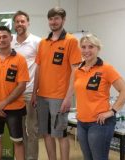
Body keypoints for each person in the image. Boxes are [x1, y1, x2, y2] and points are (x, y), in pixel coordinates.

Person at [31, 7, 82, 160]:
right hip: (42, 96)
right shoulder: (43, 42)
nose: (53, 22)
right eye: (51, 19)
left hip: (59, 97)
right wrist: (34, 93)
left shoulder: (71, 41)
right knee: (46, 133)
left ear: (63, 20)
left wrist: (68, 98)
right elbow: (38, 69)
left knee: (60, 134)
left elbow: (75, 71)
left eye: (57, 18)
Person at [74, 33, 125, 160]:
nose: (86, 50)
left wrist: (112, 111)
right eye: (83, 47)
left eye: (91, 47)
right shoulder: (78, 70)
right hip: (82, 122)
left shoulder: (106, 68)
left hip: (99, 123)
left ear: (98, 48)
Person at [0, 26, 29, 160]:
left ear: (11, 38)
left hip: (15, 109)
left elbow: (22, 86)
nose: (1, 40)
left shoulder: (20, 59)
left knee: (18, 142)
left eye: (4, 37)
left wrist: (3, 103)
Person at [11, 10, 41, 160]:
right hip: (15, 94)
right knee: (18, 132)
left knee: (32, 131)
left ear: (28, 23)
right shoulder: (10, 42)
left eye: (22, 21)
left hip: (30, 93)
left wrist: (36, 92)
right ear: (14, 24)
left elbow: (41, 68)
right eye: (17, 22)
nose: (20, 24)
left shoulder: (37, 42)